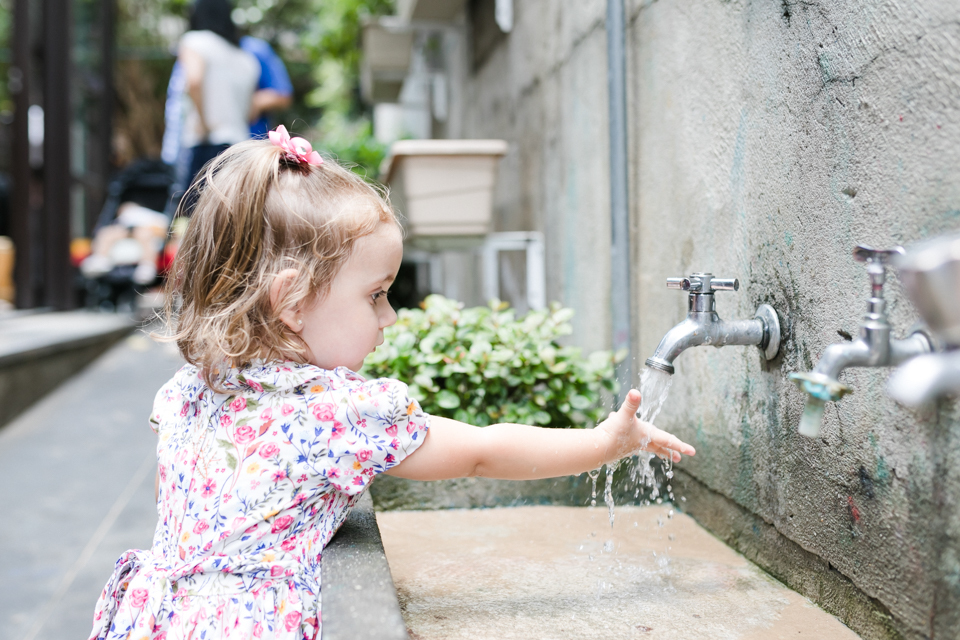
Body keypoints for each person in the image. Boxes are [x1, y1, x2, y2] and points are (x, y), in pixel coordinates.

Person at [88, 126, 696, 640]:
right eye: (376, 295)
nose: (390, 318)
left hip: (152, 617)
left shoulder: (192, 389)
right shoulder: (332, 414)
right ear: (291, 302)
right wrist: (605, 443)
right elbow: (482, 452)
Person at [176, 0, 260, 216]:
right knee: (231, 218)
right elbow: (250, 111)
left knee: (196, 219)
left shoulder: (195, 41)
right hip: (240, 148)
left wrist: (204, 124)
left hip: (206, 145)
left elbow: (194, 81)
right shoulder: (246, 59)